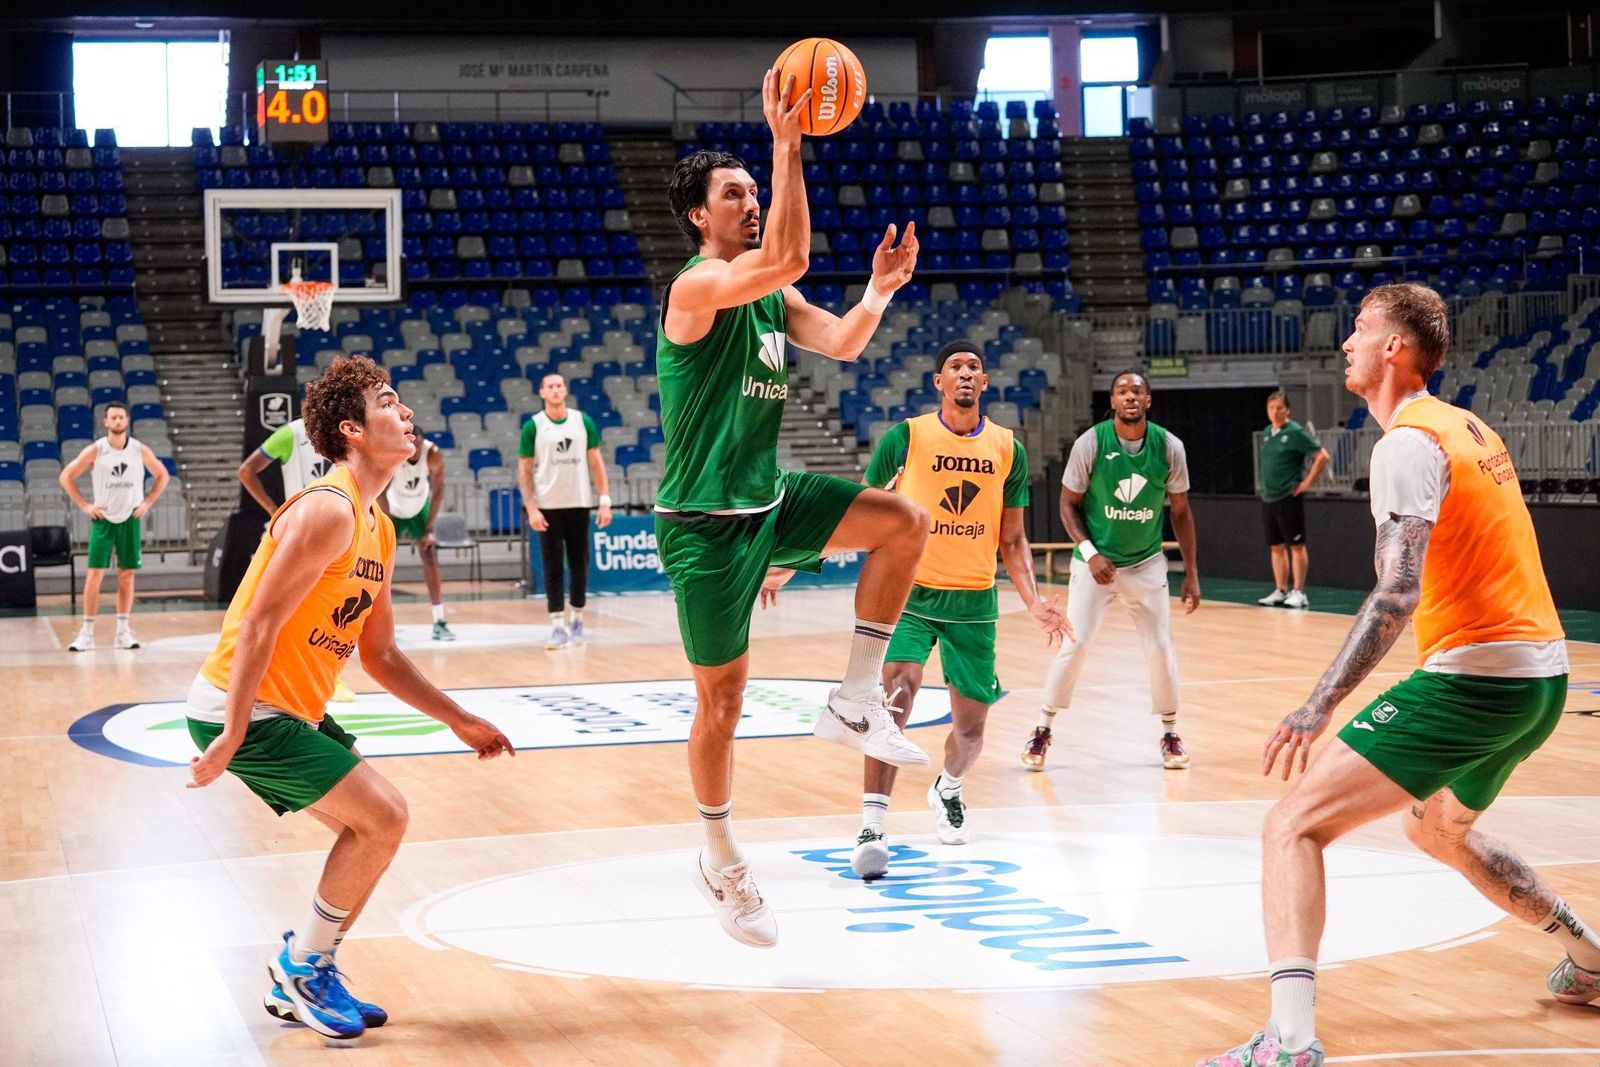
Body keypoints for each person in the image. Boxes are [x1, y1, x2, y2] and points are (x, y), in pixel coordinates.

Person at [1200, 284, 1586, 1067]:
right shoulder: (1466, 425)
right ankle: (1593, 958)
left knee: (1292, 824)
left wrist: (1320, 702)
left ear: (1393, 349)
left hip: (1478, 679)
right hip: (1542, 679)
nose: (1346, 341)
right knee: (1435, 827)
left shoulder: (1407, 442)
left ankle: (1291, 1038)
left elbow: (1397, 590)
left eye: (1360, 329)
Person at [658, 68, 927, 948]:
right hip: (703, 526)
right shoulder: (696, 289)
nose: (744, 201)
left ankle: (857, 696)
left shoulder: (772, 294)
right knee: (722, 706)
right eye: (730, 193)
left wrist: (879, 293)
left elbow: (843, 341)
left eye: (750, 190)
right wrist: (784, 139)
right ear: (700, 215)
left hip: (769, 500)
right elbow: (787, 255)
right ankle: (718, 853)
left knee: (902, 521)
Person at [186, 356, 513, 1041]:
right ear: (352, 430)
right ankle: (303, 965)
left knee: (370, 830)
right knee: (385, 815)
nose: (407, 412)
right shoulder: (328, 509)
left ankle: (306, 966)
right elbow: (258, 623)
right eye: (389, 402)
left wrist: (459, 717)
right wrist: (235, 730)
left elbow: (381, 652)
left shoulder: (380, 524)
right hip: (239, 704)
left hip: (288, 706)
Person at [841, 340, 1068, 877]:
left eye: (974, 368)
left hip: (974, 600)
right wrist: (800, 557)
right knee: (895, 693)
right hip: (911, 592)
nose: (965, 374)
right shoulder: (907, 436)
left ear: (984, 383)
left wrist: (1033, 601)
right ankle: (873, 824)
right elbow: (858, 508)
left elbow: (1012, 538)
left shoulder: (1007, 447)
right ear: (938, 382)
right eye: (954, 368)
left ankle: (949, 788)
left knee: (970, 733)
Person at [1022, 369, 1200, 772]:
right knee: (1076, 643)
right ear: (1113, 401)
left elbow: (1182, 512)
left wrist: (1190, 572)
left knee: (1160, 647)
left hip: (1146, 563)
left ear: (1148, 401)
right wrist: (1089, 551)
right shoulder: (1091, 443)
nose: (1130, 396)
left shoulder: (1169, 447)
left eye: (1138, 390)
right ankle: (1042, 729)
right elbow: (1067, 504)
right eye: (1122, 391)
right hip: (1095, 563)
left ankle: (1171, 734)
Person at [240, 416, 358, 699]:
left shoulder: (345, 432)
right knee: (276, 613)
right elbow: (247, 471)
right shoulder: (290, 434)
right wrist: (272, 508)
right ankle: (258, 678)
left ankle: (327, 677)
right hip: (299, 536)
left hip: (335, 532)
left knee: (331, 614)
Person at [58, 401, 169, 651]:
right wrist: (86, 505)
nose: (117, 421)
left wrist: (147, 502)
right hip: (103, 520)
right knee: (94, 575)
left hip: (130, 519)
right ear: (106, 422)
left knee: (127, 575)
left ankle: (123, 631)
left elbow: (163, 475)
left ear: (127, 420)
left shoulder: (139, 450)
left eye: (121, 417)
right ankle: (86, 632)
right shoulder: (96, 450)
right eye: (113, 418)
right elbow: (66, 476)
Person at [517, 372, 613, 650]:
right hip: (547, 506)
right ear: (542, 392)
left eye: (559, 385)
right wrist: (531, 507)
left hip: (579, 502)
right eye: (550, 386)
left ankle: (578, 620)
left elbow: (596, 462)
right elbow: (524, 469)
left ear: (566, 390)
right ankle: (557, 625)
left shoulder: (583, 421)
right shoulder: (533, 426)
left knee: (580, 565)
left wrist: (604, 498)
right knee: (552, 566)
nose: (556, 390)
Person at [1256, 390, 1330, 610]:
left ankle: (1299, 591)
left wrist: (1307, 483)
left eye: (1279, 408)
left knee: (1295, 545)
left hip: (1289, 496)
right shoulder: (1268, 432)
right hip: (1269, 496)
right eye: (1271, 408)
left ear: (1287, 410)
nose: (1275, 412)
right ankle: (1280, 590)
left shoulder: (1296, 432)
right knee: (1276, 546)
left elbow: (1322, 456)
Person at [379, 432, 454, 641]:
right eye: (413, 447)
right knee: (380, 564)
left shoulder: (433, 453)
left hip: (419, 507)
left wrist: (429, 529)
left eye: (419, 446)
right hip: (392, 509)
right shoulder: (394, 453)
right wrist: (385, 522)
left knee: (430, 556)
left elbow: (438, 490)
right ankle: (375, 623)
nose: (416, 451)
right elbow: (381, 490)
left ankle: (439, 621)